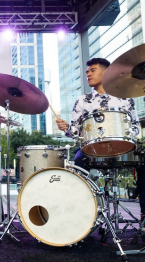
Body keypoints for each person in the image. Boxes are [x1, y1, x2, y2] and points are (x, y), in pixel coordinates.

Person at [55, 57, 145, 228]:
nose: (88, 73)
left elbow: (134, 126)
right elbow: (76, 133)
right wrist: (66, 128)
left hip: (122, 149)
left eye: (93, 70)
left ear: (106, 72)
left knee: (144, 160)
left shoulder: (125, 98)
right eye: (87, 71)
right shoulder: (83, 101)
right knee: (79, 160)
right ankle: (82, 215)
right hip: (93, 150)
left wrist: (125, 141)